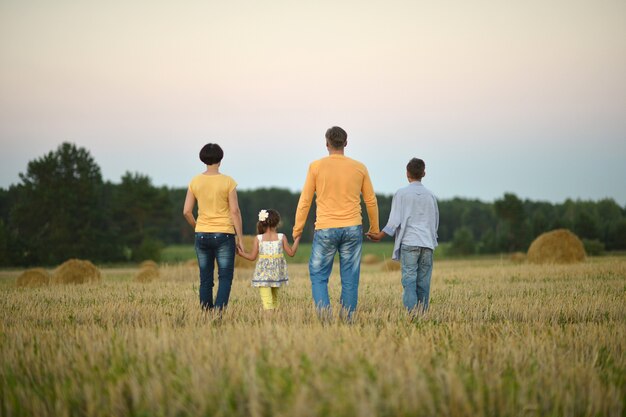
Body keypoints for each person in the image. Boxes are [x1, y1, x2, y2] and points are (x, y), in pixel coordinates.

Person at [293, 126, 380, 319]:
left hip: (325, 228)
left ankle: (325, 320)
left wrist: (297, 228)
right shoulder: (360, 167)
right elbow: (371, 201)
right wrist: (374, 228)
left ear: (327, 144)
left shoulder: (315, 167)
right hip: (352, 228)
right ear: (346, 143)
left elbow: (305, 201)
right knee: (350, 278)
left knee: (318, 275)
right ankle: (347, 319)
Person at [367, 157, 439, 313]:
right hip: (427, 244)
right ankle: (422, 313)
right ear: (424, 173)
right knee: (424, 282)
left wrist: (379, 235)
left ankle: (412, 314)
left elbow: (394, 221)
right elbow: (435, 222)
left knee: (409, 280)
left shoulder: (401, 194)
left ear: (407, 173)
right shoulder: (431, 196)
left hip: (409, 242)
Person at [183, 143, 245, 310]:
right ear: (220, 159)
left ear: (203, 159)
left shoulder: (195, 181)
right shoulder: (228, 182)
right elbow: (235, 211)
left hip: (202, 233)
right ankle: (218, 313)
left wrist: (198, 226)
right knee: (225, 277)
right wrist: (240, 238)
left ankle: (206, 313)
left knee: (205, 279)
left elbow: (187, 211)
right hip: (224, 234)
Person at [237, 209, 300, 311]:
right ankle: (274, 322)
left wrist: (240, 253)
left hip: (263, 275)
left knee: (267, 303)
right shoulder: (281, 237)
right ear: (277, 222)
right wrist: (297, 239)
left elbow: (252, 257)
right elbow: (291, 253)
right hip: (277, 275)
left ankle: (269, 323)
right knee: (275, 301)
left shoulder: (259, 238)